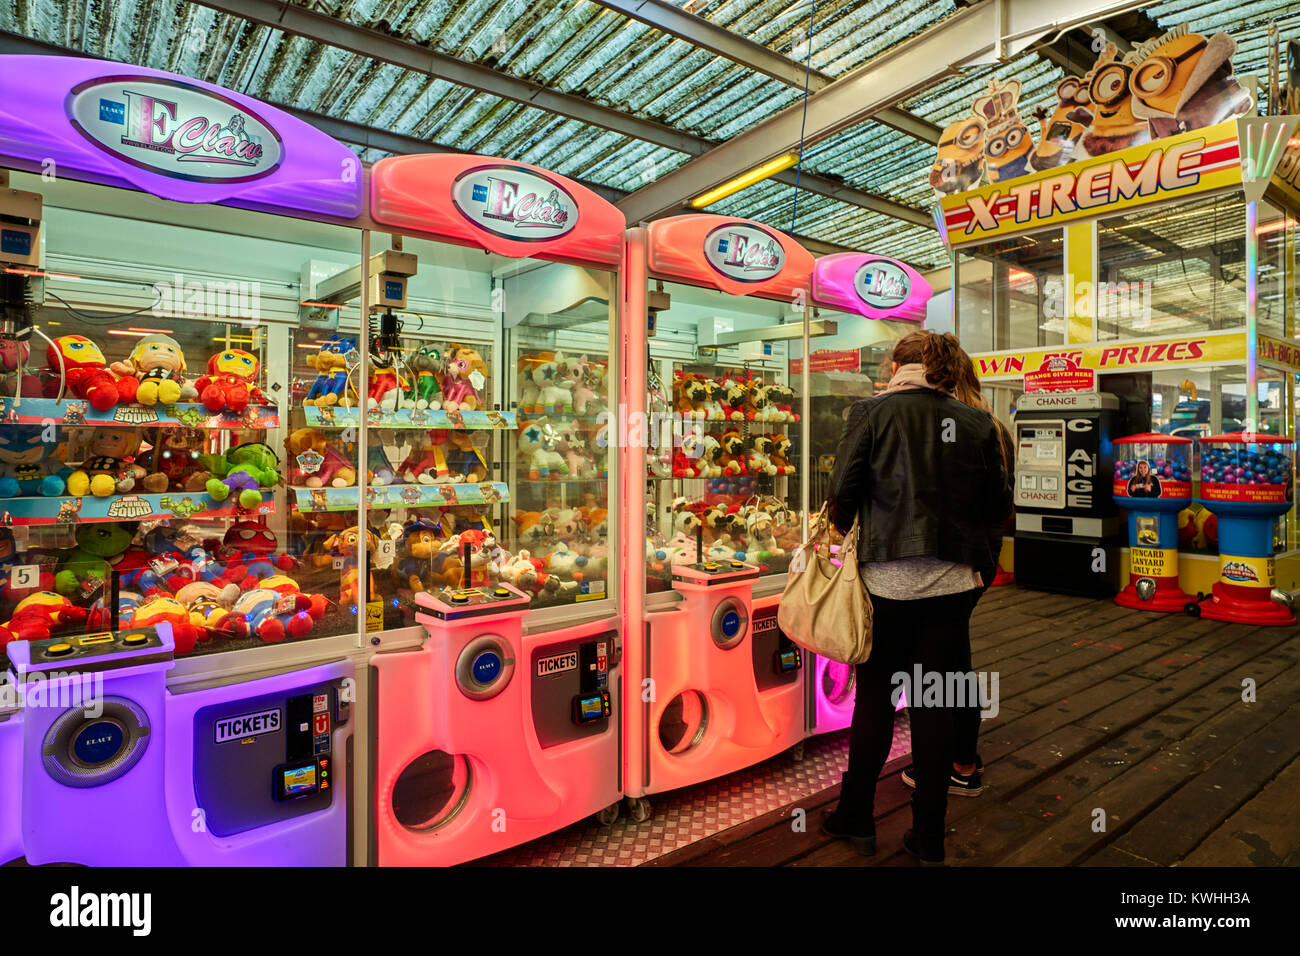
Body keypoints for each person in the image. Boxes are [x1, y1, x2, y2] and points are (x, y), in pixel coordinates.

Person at [820, 330, 1012, 865]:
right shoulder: (978, 423)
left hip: (884, 584)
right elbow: (999, 504)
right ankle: (928, 837)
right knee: (935, 705)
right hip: (952, 587)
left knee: (875, 700)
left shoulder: (872, 413)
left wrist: (845, 526)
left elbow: (842, 494)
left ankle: (855, 816)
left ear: (902, 365)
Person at [897, 346, 1015, 799]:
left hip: (947, 562)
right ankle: (961, 759)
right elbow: (999, 505)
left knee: (942, 664)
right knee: (954, 657)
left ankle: (953, 762)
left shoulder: (948, 427)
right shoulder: (992, 427)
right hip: (980, 560)